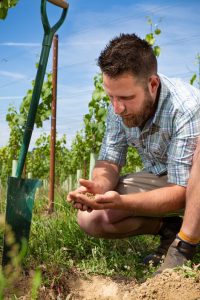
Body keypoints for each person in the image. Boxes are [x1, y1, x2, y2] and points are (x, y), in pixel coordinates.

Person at [67, 33, 200, 273]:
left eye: (126, 98)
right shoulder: (118, 106)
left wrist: (125, 203)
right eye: (111, 97)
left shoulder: (187, 107)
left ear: (152, 84)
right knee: (92, 219)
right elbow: (110, 158)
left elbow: (183, 192)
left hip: (193, 183)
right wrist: (98, 187)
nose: (117, 108)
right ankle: (170, 229)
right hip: (167, 178)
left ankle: (185, 245)